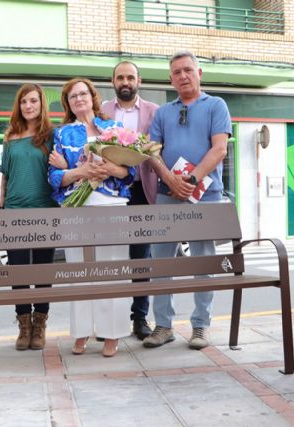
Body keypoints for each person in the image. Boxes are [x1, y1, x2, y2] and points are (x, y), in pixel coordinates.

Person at [143, 51, 231, 350]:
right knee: (161, 263)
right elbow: (152, 151)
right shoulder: (163, 112)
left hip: (205, 196)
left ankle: (200, 327)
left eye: (188, 70)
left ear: (199, 73)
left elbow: (219, 149)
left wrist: (191, 181)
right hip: (167, 196)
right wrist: (169, 179)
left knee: (202, 262)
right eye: (177, 72)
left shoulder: (216, 105)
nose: (182, 76)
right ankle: (163, 326)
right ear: (171, 79)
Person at [48, 77, 135, 357]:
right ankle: (82, 331)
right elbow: (54, 176)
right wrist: (80, 173)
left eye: (83, 94)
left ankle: (112, 334)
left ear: (92, 97)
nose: (79, 99)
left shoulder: (114, 128)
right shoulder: (62, 134)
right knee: (79, 270)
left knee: (114, 271)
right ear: (68, 103)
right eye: (73, 96)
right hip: (77, 208)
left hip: (111, 204)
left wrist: (108, 168)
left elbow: (128, 172)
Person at [0, 83, 63, 351]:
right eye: (24, 102)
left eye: (33, 101)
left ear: (41, 104)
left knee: (43, 270)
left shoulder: (51, 135)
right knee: (18, 272)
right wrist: (0, 206)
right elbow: (6, 175)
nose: (28, 106)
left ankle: (40, 324)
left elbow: (62, 169)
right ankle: (24, 325)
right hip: (14, 212)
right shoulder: (10, 137)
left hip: (45, 211)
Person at [102, 60, 159, 341]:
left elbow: (159, 150)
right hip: (109, 192)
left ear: (139, 81)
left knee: (141, 258)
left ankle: (139, 318)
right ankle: (107, 322)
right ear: (113, 81)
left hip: (141, 191)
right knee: (108, 256)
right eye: (120, 77)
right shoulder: (102, 110)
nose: (125, 82)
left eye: (130, 77)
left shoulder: (153, 112)